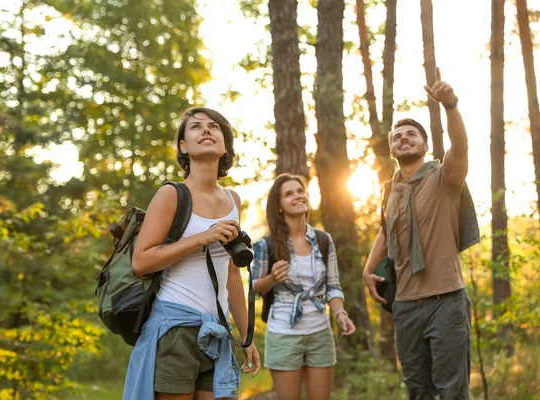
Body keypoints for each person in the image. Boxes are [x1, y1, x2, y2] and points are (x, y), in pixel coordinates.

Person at [123, 107, 261, 400]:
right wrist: (202, 238)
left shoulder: (233, 199)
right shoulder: (171, 195)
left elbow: (231, 275)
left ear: (225, 145)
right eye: (196, 127)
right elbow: (140, 262)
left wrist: (246, 336)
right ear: (183, 146)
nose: (206, 130)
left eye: (214, 126)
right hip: (175, 330)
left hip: (218, 333)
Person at [363, 68, 478, 399]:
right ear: (392, 151)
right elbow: (386, 232)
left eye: (412, 134)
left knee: (452, 391)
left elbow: (461, 144)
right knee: (417, 391)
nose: (403, 138)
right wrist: (368, 270)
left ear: (426, 145)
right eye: (397, 137)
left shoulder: (444, 177)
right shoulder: (390, 192)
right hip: (406, 306)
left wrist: (450, 105)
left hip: (446, 302)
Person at [252, 173, 356, 400]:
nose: (297, 196)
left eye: (300, 191)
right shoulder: (265, 244)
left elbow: (333, 285)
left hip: (320, 332)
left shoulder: (323, 240)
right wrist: (272, 278)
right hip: (283, 333)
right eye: (289, 194)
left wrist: (339, 312)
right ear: (279, 206)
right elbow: (255, 289)